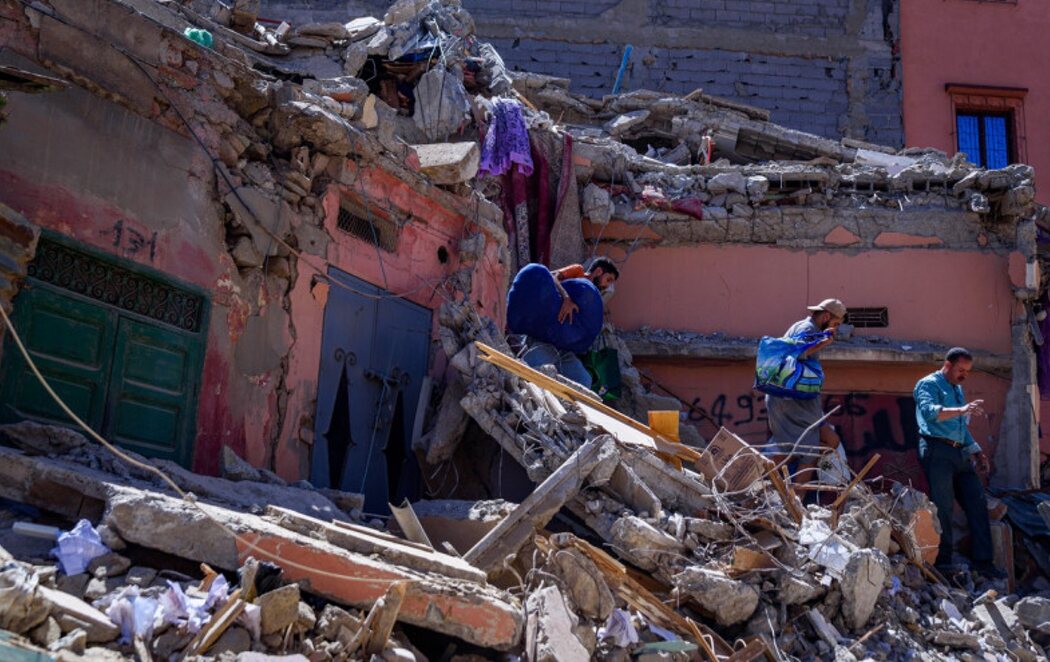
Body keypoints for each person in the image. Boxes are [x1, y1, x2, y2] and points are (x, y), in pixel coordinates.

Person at [914, 347, 1003, 579]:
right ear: (948, 365)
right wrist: (962, 409)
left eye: (968, 371)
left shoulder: (958, 388)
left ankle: (983, 562)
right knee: (943, 506)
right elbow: (930, 413)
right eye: (961, 370)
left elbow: (961, 427)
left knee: (976, 501)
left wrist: (976, 450)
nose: (964, 375)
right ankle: (943, 562)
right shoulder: (928, 384)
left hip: (960, 453)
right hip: (937, 450)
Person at [765, 299, 846, 485]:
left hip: (792, 398)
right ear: (826, 316)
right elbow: (795, 352)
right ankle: (793, 496)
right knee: (808, 451)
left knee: (826, 442)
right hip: (793, 399)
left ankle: (777, 477)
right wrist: (823, 342)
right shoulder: (809, 329)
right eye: (836, 324)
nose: (836, 328)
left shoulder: (804, 327)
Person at [520, 257, 620, 389]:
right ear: (598, 271)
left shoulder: (591, 297)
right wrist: (566, 298)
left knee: (584, 381)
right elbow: (551, 276)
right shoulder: (578, 271)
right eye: (608, 280)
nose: (607, 285)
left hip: (564, 350)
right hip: (544, 340)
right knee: (529, 374)